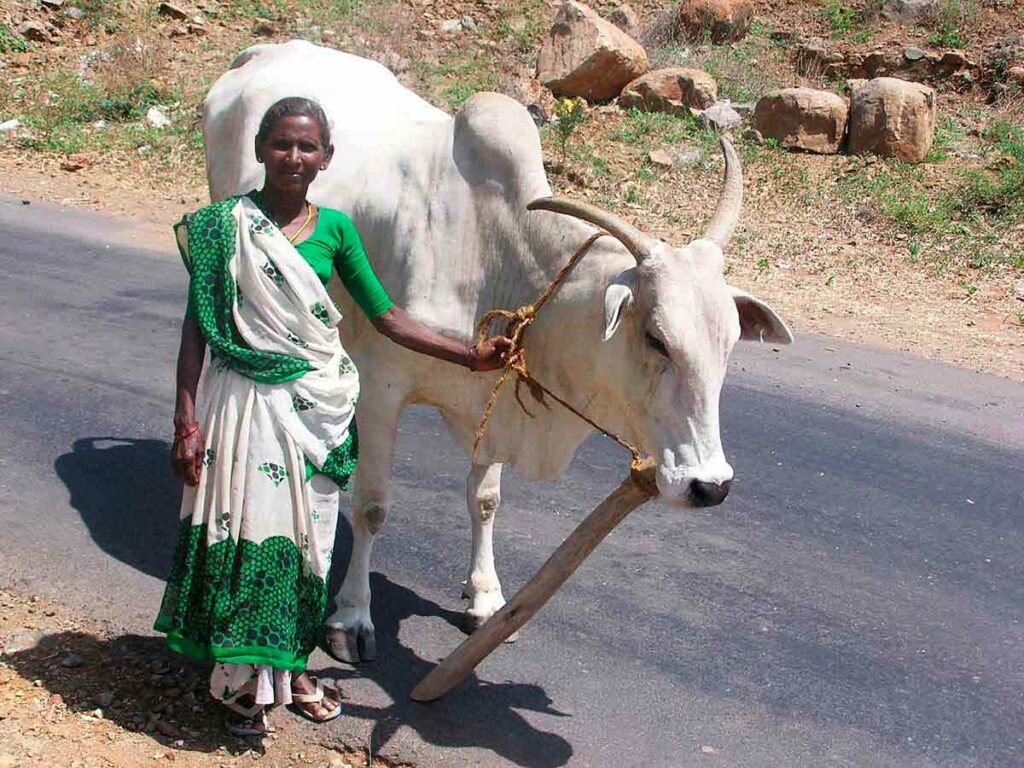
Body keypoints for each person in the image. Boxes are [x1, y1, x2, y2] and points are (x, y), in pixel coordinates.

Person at [154, 96, 512, 735]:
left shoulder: (337, 230)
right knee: (241, 543)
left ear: (326, 158)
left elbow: (387, 316)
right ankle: (245, 682)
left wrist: (471, 357)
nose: (294, 157)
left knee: (307, 547)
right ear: (261, 149)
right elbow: (194, 329)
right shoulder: (220, 226)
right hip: (237, 407)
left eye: (307, 147)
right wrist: (186, 420)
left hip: (312, 409)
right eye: (283, 144)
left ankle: (290, 671)